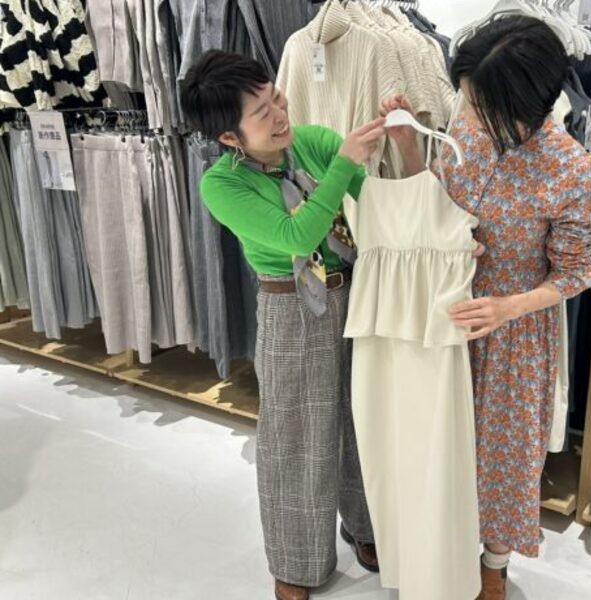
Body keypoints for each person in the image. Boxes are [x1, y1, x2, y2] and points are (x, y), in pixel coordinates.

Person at [382, 15, 591, 600]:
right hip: (444, 311)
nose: (469, 114)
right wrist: (407, 147)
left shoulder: (568, 167)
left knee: (503, 463)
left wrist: (509, 306)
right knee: (438, 445)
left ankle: (493, 566)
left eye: (481, 104)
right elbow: (437, 204)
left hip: (512, 335)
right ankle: (439, 552)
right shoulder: (468, 127)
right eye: (469, 100)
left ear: (525, 104)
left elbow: (576, 271)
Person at [179, 50, 385, 600]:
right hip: (291, 306)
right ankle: (296, 559)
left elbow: (376, 204)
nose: (279, 113)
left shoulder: (312, 141)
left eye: (275, 97)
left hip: (356, 295)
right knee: (295, 437)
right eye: (261, 112)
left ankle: (366, 526)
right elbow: (297, 237)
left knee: (363, 421)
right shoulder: (222, 185)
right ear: (229, 136)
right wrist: (342, 165)